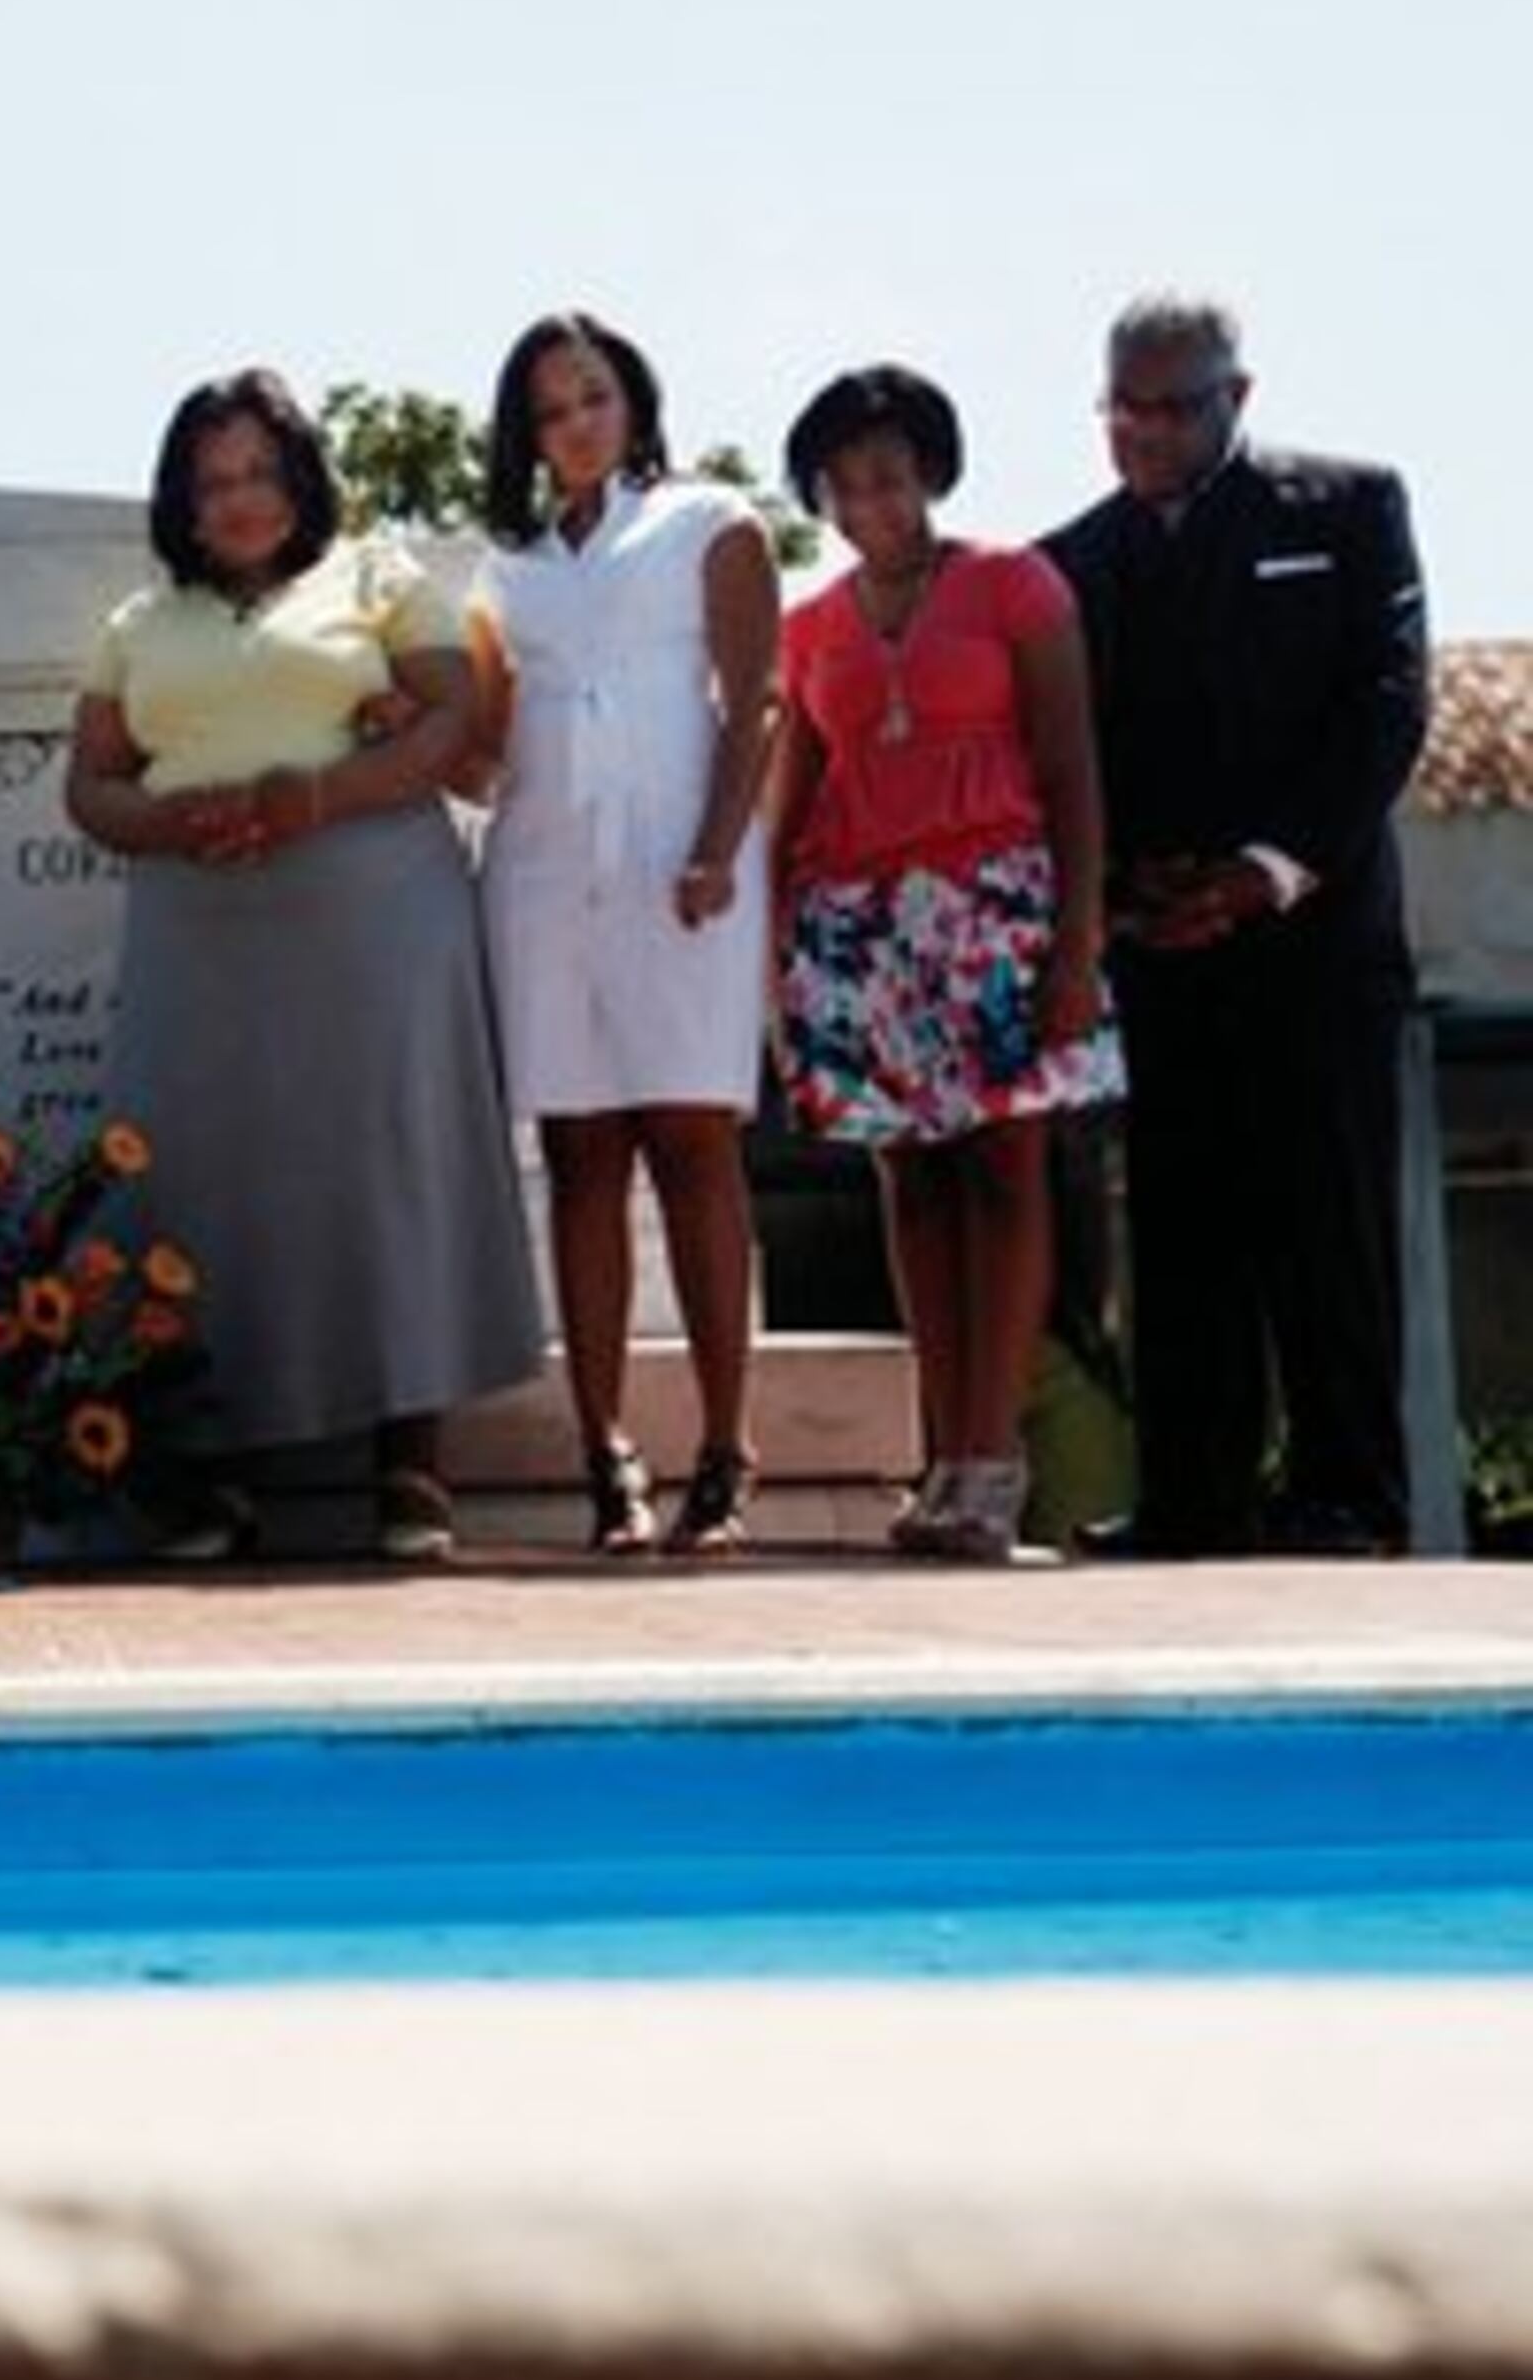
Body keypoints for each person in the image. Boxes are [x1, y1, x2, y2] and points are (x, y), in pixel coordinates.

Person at [62, 367, 543, 1564]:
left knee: (385, 1159)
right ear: (180, 497)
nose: (240, 500)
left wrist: (315, 792)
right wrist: (178, 822)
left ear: (303, 479)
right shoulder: (138, 624)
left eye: (262, 473)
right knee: (200, 1177)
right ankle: (210, 1469)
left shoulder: (375, 577)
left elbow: (450, 720)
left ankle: (410, 1469)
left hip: (374, 910)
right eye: (214, 480)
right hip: (202, 925)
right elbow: (91, 783)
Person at [1044, 296, 1433, 1560]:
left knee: (1329, 1230)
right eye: (1124, 405)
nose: (1144, 431)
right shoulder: (1070, 562)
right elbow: (1062, 754)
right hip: (1160, 947)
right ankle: (1190, 1503)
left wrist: (1266, 873)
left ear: (1237, 398)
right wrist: (1111, 890)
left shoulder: (1347, 508)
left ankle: (1348, 1499)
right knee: (1182, 1229)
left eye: (1172, 405)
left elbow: (1386, 707)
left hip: (1312, 945)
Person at [771, 365, 1125, 1561]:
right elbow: (794, 799)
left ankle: (995, 1458)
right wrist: (778, 962)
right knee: (912, 1185)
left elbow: (1073, 769)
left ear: (930, 470)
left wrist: (1076, 943)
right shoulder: (809, 627)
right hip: (865, 925)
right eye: (846, 475)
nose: (871, 493)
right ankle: (942, 1460)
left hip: (998, 907)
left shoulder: (1014, 586)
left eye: (892, 467)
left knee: (1007, 1173)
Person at [465, 313, 781, 1555]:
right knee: (583, 1154)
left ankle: (725, 1442)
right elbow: (485, 743)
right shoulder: (508, 570)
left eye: (593, 397)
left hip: (678, 864)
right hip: (546, 874)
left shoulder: (712, 523)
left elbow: (756, 695)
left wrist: (713, 846)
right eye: (549, 410)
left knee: (696, 1143)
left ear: (634, 402)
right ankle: (607, 1450)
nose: (576, 425)